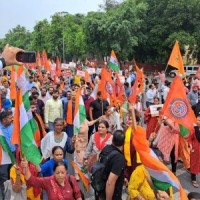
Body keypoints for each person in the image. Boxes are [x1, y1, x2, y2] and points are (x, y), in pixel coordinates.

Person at [97, 130, 126, 200]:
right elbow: (110, 182)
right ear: (123, 142)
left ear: (112, 140)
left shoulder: (106, 148)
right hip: (111, 194)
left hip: (100, 188)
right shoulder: (119, 158)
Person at [188, 115, 200, 188]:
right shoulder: (193, 129)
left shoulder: (195, 129)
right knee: (194, 164)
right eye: (197, 120)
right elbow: (190, 139)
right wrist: (190, 145)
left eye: (199, 120)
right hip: (195, 150)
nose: (198, 121)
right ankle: (193, 179)